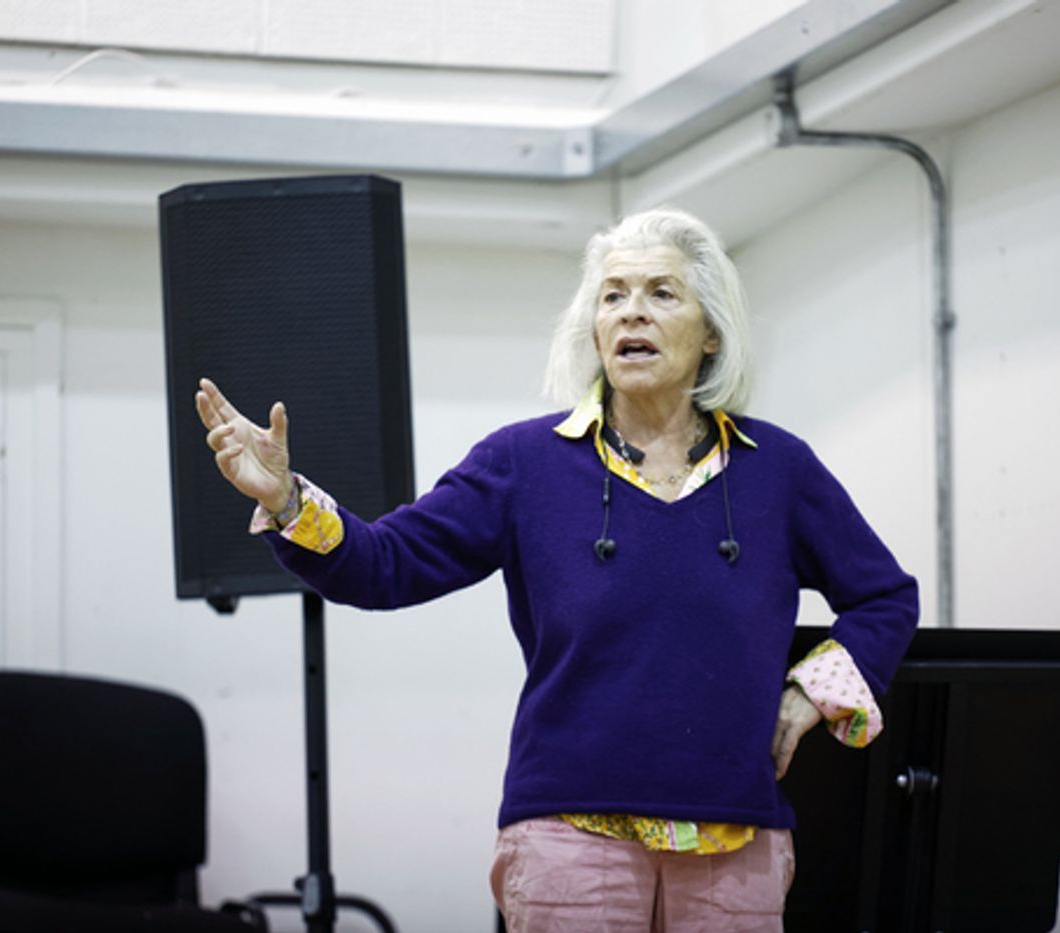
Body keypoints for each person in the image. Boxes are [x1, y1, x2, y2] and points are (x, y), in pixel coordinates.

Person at [196, 207, 919, 932]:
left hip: (736, 835)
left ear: (711, 334)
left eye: (661, 293)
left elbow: (884, 596)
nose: (632, 310)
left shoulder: (780, 468)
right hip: (567, 836)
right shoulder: (523, 462)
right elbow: (386, 564)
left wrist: (807, 692)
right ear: (594, 327)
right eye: (613, 295)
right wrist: (286, 498)